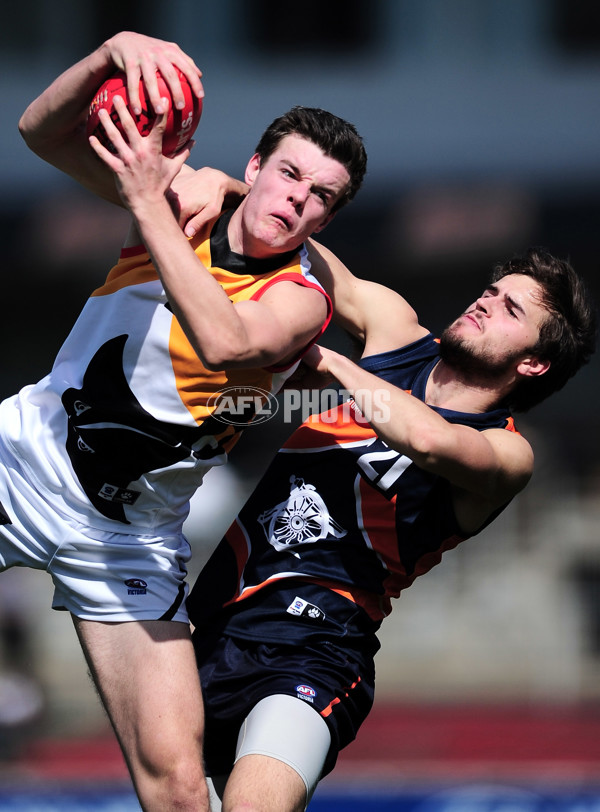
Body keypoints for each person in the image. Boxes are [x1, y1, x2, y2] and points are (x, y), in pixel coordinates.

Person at [12, 32, 367, 812]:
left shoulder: (303, 299)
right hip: (22, 459)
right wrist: (109, 56)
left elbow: (227, 340)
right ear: (255, 169)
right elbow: (40, 131)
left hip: (127, 536)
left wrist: (147, 203)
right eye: (288, 175)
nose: (295, 200)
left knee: (177, 788)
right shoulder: (179, 194)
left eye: (320, 197)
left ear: (329, 217)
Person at [187, 244, 597, 811]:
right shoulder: (397, 334)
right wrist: (240, 191)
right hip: (207, 622)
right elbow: (308, 257)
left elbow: (429, 440)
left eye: (511, 310)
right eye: (492, 292)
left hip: (315, 647)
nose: (486, 302)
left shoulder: (507, 453)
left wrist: (333, 362)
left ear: (534, 363)